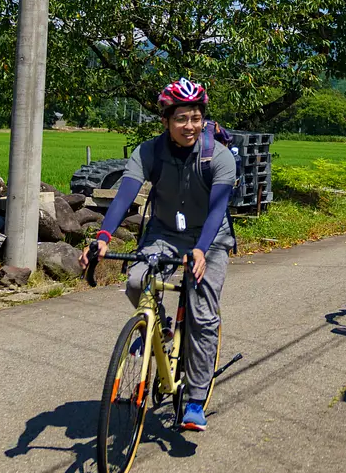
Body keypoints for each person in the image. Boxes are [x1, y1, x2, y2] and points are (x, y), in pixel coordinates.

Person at [80, 78, 235, 432]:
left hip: (209, 238)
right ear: (166, 120)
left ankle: (195, 399)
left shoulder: (219, 156)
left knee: (202, 313)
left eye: (196, 117)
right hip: (164, 233)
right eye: (182, 118)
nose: (190, 126)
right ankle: (159, 327)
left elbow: (217, 210)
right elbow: (124, 196)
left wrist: (200, 250)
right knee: (136, 280)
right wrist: (103, 237)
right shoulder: (148, 152)